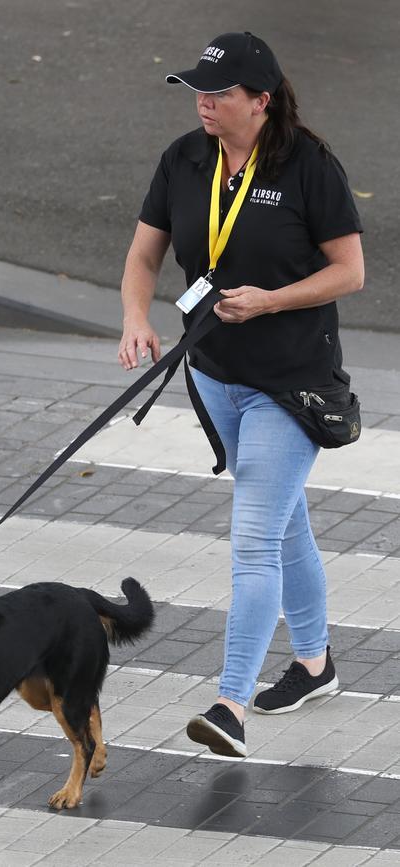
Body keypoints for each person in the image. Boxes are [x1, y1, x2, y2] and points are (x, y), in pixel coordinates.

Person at [117, 31, 364, 758]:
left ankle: (230, 703)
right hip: (214, 376)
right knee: (283, 523)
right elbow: (143, 253)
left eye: (219, 93)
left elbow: (351, 271)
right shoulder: (184, 159)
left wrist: (272, 301)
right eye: (197, 89)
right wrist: (136, 315)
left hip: (289, 384)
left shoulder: (309, 167)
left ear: (260, 101)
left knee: (254, 540)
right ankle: (315, 663)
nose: (204, 101)